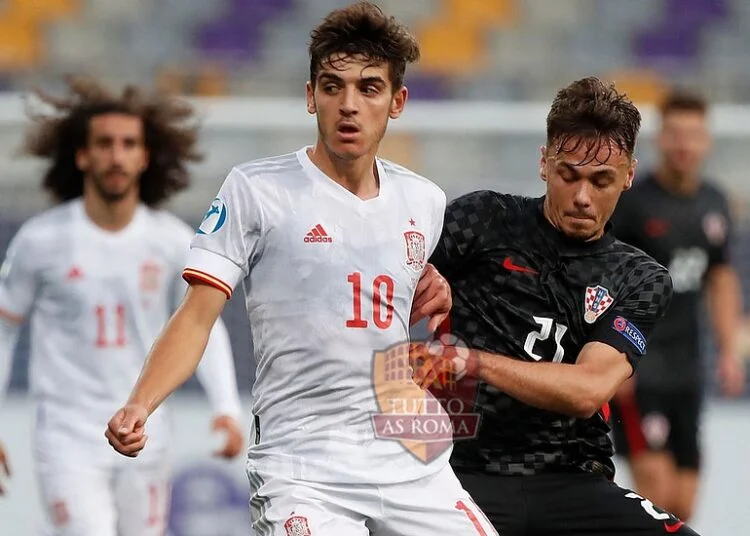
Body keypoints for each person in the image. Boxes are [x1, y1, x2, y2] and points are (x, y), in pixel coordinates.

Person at [105, 3, 494, 536]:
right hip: (303, 459)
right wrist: (139, 404)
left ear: (398, 101)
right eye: (332, 87)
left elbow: (396, 278)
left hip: (404, 451)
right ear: (310, 95)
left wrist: (436, 282)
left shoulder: (424, 200)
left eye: (369, 88)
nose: (349, 105)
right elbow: (196, 318)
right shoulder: (256, 190)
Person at [419, 77, 700, 535]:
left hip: (572, 482)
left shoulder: (641, 278)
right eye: (569, 174)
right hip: (461, 476)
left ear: (628, 174)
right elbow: (384, 289)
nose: (583, 196)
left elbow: (588, 391)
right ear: (544, 163)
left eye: (602, 179)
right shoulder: (482, 220)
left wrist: (475, 362)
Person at [0, 77, 245, 535]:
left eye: (128, 144)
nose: (116, 155)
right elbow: (5, 328)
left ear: (144, 156)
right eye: (105, 143)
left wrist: (227, 408)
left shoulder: (172, 241)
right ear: (82, 155)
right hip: (67, 434)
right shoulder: (40, 241)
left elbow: (202, 327)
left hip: (145, 433)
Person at [608, 90, 745, 522]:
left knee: (684, 505)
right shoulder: (632, 204)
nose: (685, 144)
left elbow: (720, 277)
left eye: (694, 135)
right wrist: (611, 356)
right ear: (660, 139)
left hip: (688, 371)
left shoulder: (714, 203)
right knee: (659, 499)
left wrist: (727, 350)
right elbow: (602, 279)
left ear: (707, 141)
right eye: (676, 134)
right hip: (638, 368)